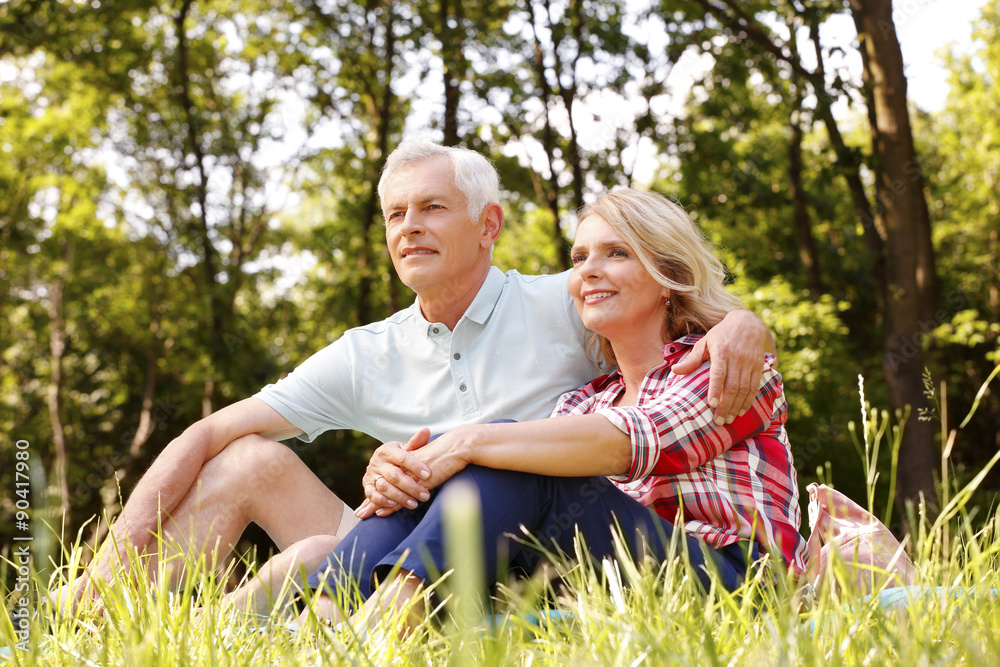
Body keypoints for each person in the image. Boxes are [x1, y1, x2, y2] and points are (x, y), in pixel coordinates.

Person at [59, 141, 774, 610]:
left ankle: (353, 631)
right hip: (463, 541)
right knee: (260, 466)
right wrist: (392, 472)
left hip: (613, 551)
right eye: (395, 214)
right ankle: (112, 618)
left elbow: (660, 315)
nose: (409, 227)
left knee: (489, 453)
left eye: (432, 207)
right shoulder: (372, 351)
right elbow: (212, 428)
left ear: (489, 225)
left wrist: (742, 323)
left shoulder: (571, 304)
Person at [289, 188, 807, 631]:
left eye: (616, 254)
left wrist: (468, 442)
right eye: (580, 258)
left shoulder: (727, 367)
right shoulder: (586, 398)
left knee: (507, 457)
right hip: (616, 576)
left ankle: (383, 627)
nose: (586, 273)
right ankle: (322, 622)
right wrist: (404, 470)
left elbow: (635, 440)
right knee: (447, 474)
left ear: (667, 273)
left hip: (737, 585)